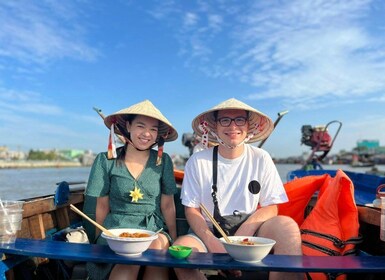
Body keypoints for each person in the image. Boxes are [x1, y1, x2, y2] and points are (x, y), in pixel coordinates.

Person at [173, 98, 303, 280]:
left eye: (239, 120)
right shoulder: (198, 161)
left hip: (250, 228)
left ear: (249, 126)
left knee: (287, 227)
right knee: (182, 253)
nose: (233, 126)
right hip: (208, 231)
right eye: (225, 120)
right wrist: (213, 243)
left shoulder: (261, 158)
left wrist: (243, 234)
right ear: (215, 127)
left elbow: (271, 206)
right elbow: (192, 209)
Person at [85, 99, 178, 280]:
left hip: (153, 227)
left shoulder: (163, 161)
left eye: (153, 129)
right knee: (130, 253)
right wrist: (98, 239)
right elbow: (102, 205)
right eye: (140, 126)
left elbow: (167, 205)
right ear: (128, 126)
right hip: (115, 229)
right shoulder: (105, 160)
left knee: (157, 247)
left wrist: (173, 239)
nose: (146, 134)